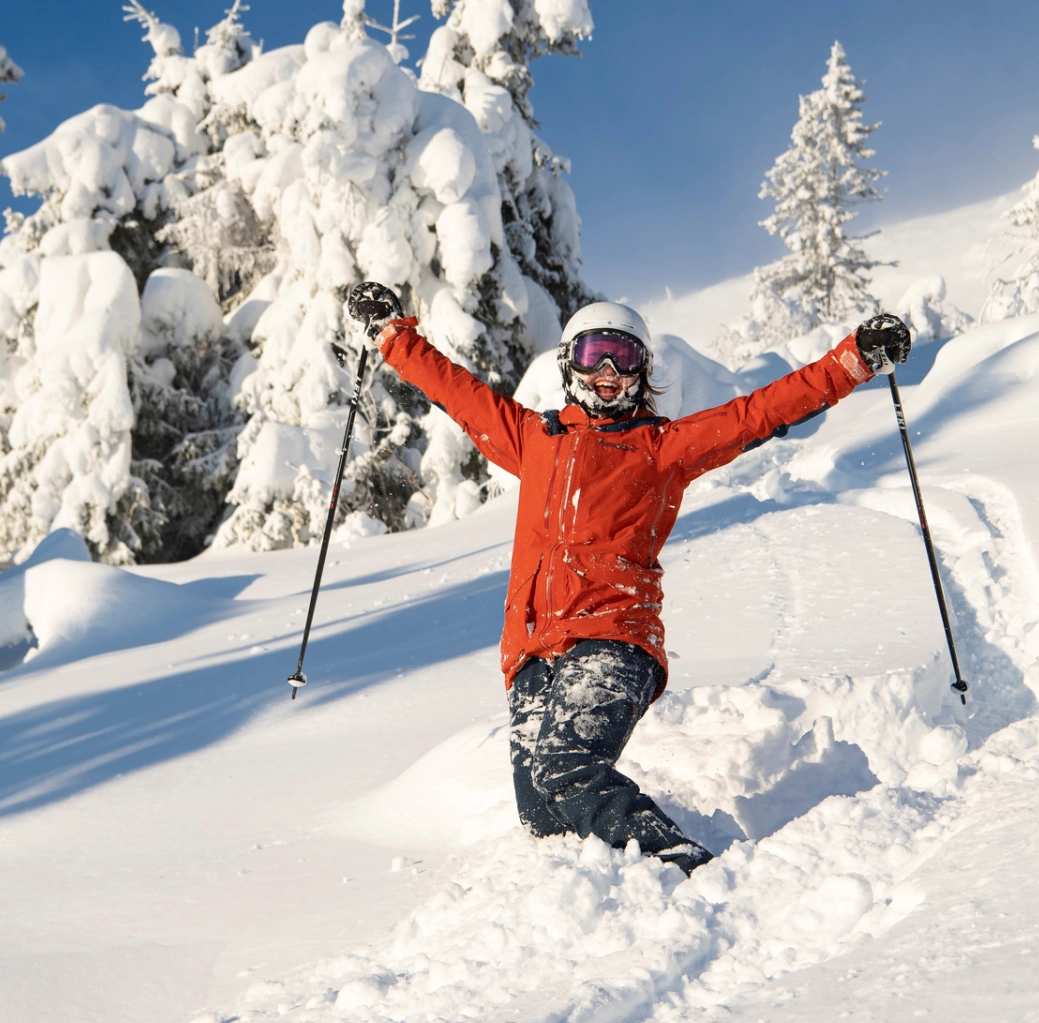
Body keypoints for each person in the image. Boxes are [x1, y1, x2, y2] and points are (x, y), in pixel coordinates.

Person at [348, 283, 911, 874]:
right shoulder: (531, 440)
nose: (609, 371)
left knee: (565, 767)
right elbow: (452, 388)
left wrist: (854, 360)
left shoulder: (661, 448)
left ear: (643, 370)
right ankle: (621, 888)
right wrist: (390, 334)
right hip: (532, 653)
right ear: (570, 364)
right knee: (543, 811)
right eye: (594, 355)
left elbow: (762, 411)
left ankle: (688, 866)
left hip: (616, 640)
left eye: (625, 356)